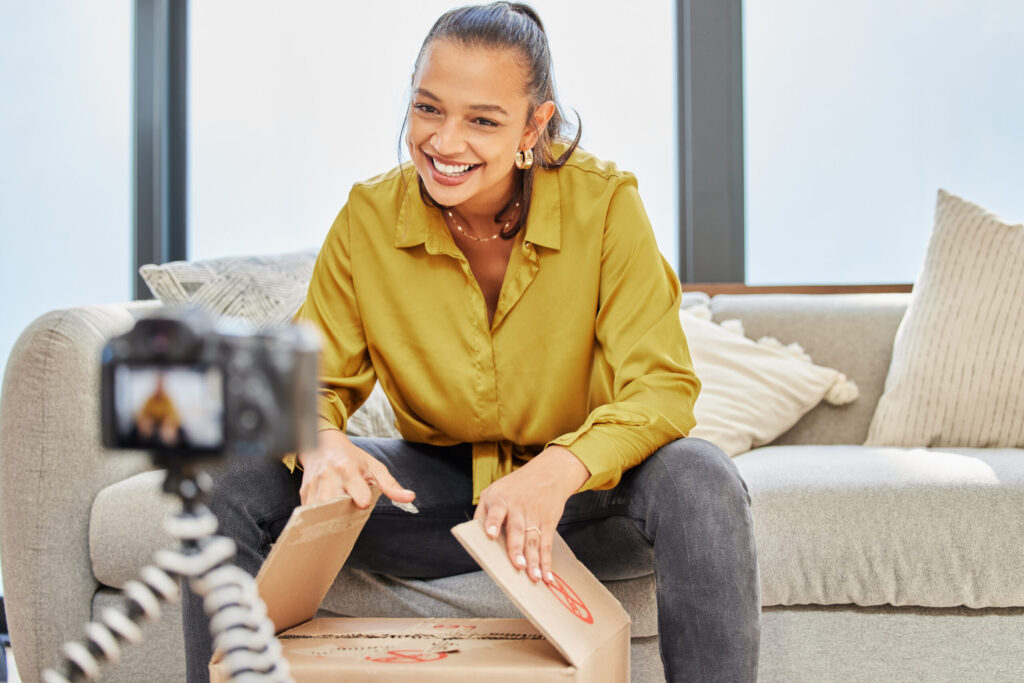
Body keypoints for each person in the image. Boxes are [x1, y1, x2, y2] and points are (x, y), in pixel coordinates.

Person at [181, 3, 760, 681]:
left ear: (534, 126)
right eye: (428, 109)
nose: (444, 143)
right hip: (435, 491)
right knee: (226, 471)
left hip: (583, 493)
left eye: (482, 120)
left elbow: (662, 386)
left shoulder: (606, 207)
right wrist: (318, 441)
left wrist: (555, 469)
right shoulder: (368, 218)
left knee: (701, 475)